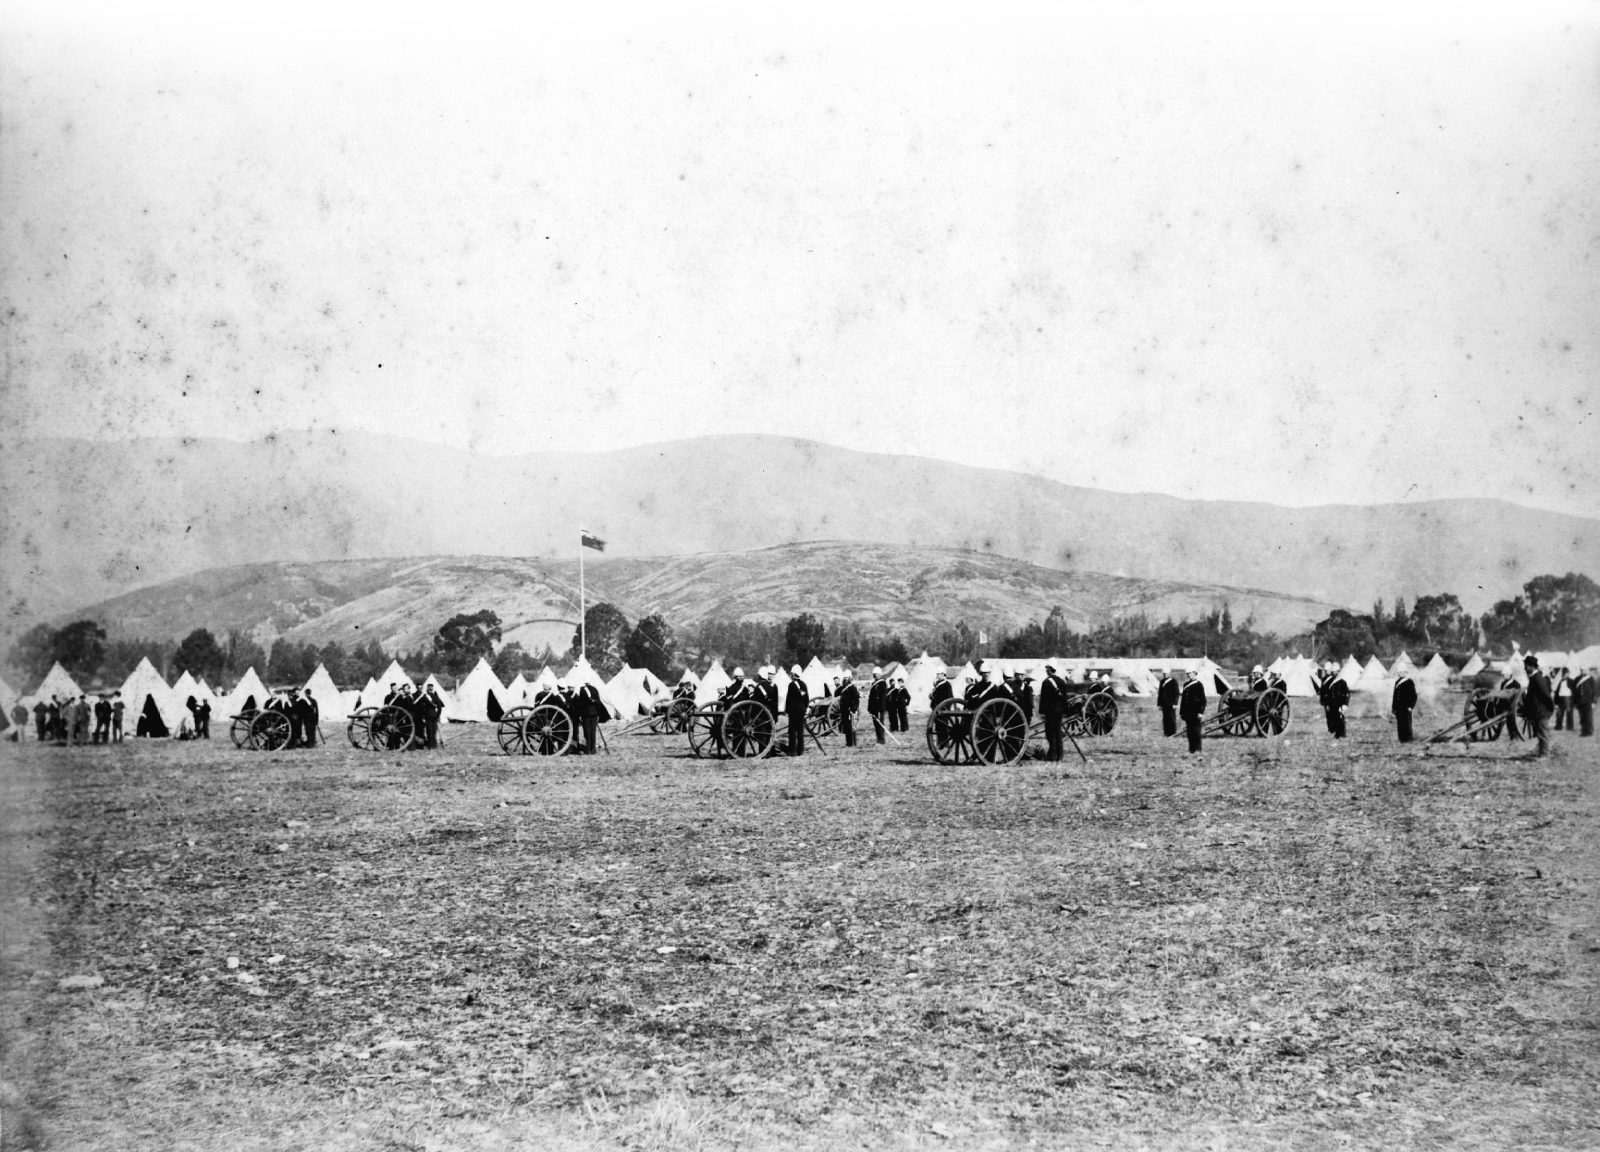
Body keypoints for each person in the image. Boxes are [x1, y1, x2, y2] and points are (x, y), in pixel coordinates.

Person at [1522, 654, 1555, 758]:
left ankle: (1544, 755)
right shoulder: (1534, 678)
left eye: (1526, 666)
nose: (1525, 668)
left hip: (1541, 711)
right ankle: (1541, 753)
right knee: (1541, 732)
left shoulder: (1538, 678)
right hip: (1537, 711)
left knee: (1543, 733)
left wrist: (1549, 708)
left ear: (1532, 666)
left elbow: (1546, 695)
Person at [1038, 663, 1067, 761]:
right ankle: (1060, 755)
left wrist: (1042, 712)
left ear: (1050, 669)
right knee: (1058, 732)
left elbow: (1044, 699)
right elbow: (1064, 698)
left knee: (1050, 733)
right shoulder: (1062, 682)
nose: (1046, 670)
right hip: (1059, 711)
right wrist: (1064, 710)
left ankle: (1052, 755)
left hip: (1050, 711)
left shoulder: (1046, 682)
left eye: (1046, 668)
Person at [575, 681, 609, 754]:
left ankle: (587, 750)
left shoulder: (582, 690)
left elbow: (582, 703)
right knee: (593, 731)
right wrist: (598, 713)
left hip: (586, 713)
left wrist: (580, 714)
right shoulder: (595, 689)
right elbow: (598, 702)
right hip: (594, 713)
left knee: (587, 732)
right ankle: (593, 750)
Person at [1179, 669, 1207, 754]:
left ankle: (1198, 749)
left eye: (1190, 673)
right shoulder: (1185, 685)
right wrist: (1182, 712)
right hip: (1188, 712)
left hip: (1196, 711)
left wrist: (1201, 712)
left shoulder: (1199, 685)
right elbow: (1183, 700)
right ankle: (1191, 749)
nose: (1188, 675)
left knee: (1196, 731)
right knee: (1190, 731)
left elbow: (1203, 700)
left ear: (1195, 673)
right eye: (1187, 673)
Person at [784, 663, 808, 756]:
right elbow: (806, 698)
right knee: (800, 731)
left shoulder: (791, 685)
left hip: (793, 711)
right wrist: (805, 708)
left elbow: (789, 699)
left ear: (794, 674)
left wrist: (787, 710)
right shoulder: (804, 684)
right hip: (801, 710)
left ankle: (793, 751)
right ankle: (800, 751)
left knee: (792, 731)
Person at [1391, 670, 1418, 743]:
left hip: (1406, 706)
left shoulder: (1409, 682)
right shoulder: (1397, 682)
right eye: (1398, 672)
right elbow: (1395, 696)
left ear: (1405, 673)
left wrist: (1411, 706)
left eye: (1401, 672)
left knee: (1407, 723)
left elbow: (1414, 696)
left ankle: (1408, 739)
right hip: (1398, 707)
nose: (1399, 673)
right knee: (1400, 723)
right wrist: (1393, 707)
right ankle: (1401, 739)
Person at [1323, 671, 1351, 739]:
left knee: (1340, 718)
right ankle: (1336, 732)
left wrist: (1345, 704)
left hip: (1339, 703)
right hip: (1332, 703)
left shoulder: (1342, 682)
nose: (1334, 673)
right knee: (1334, 718)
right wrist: (1327, 704)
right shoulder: (1329, 681)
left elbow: (1347, 694)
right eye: (1333, 672)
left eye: (1335, 672)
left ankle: (1342, 733)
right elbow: (1327, 694)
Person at [837, 671, 859, 747]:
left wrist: (853, 709)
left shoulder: (853, 688)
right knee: (846, 727)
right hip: (844, 710)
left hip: (851, 710)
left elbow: (856, 700)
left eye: (846, 678)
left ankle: (853, 743)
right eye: (844, 678)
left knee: (852, 727)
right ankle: (849, 743)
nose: (845, 679)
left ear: (849, 678)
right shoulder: (843, 688)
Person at [867, 667, 888, 744]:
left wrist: (881, 707)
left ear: (880, 674)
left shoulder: (883, 683)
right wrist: (869, 707)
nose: (875, 676)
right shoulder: (873, 684)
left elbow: (883, 697)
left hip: (879, 707)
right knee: (876, 724)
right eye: (874, 675)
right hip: (874, 708)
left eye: (876, 674)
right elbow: (871, 697)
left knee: (880, 724)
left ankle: (882, 740)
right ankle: (878, 739)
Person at [1156, 670, 1179, 737]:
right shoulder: (1162, 681)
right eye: (1164, 673)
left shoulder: (1173, 681)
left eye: (1166, 673)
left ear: (1169, 673)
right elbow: (1160, 693)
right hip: (1164, 703)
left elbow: (1176, 693)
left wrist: (1175, 703)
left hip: (1171, 703)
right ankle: (1166, 732)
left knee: (1171, 718)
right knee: (1165, 718)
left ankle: (1173, 732)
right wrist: (1159, 704)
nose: (1165, 674)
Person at [1573, 667, 1595, 737]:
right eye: (1582, 670)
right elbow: (1575, 692)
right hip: (1579, 701)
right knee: (1582, 717)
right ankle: (1584, 731)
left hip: (1588, 701)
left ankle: (1589, 731)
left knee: (1588, 717)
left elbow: (1594, 691)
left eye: (1585, 670)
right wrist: (1575, 702)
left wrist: (1593, 702)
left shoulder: (1590, 678)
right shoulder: (1577, 679)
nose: (1583, 671)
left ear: (1587, 670)